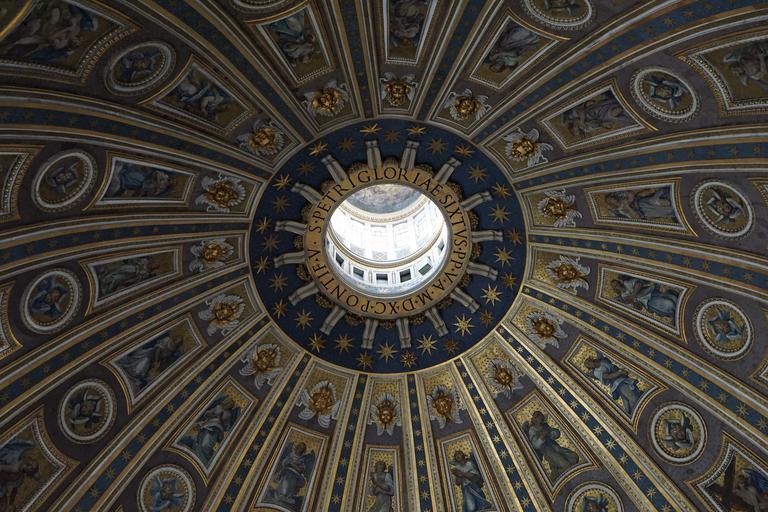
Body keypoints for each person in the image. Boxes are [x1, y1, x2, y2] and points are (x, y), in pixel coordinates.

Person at [179, 395, 240, 467]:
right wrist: (212, 415)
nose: (228, 404)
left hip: (216, 430)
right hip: (207, 426)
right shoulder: (219, 407)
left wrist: (221, 420)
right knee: (200, 441)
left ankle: (204, 461)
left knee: (206, 445)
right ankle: (197, 454)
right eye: (228, 402)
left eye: (230, 404)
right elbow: (207, 414)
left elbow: (227, 427)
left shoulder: (229, 414)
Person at [523, 411, 579, 481]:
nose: (540, 418)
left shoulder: (545, 426)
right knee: (566, 465)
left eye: (541, 416)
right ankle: (555, 477)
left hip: (556, 447)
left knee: (574, 458)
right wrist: (541, 437)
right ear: (535, 419)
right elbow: (535, 445)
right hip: (548, 451)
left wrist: (550, 432)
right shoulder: (532, 429)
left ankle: (555, 473)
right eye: (538, 417)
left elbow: (556, 434)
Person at [267, 442, 315, 510]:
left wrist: (295, 466)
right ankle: (280, 494)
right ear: (297, 447)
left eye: (302, 448)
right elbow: (284, 462)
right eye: (299, 447)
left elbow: (302, 469)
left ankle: (287, 497)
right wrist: (290, 463)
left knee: (292, 483)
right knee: (286, 480)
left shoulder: (302, 459)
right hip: (287, 471)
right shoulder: (291, 455)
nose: (300, 449)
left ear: (303, 451)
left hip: (295, 474)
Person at [610, 275, 679, 320]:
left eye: (617, 284)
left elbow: (639, 283)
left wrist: (633, 295)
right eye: (615, 286)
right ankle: (676, 316)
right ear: (615, 289)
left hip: (650, 293)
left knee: (672, 297)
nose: (617, 286)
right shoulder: (624, 296)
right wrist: (633, 303)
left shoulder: (627, 283)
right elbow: (639, 308)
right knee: (668, 304)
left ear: (619, 282)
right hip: (647, 303)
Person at [0, 440, 39, 512]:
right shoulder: (19, 454)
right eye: (32, 463)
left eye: (31, 468)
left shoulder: (18, 474)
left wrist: (10, 503)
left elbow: (14, 490)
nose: (30, 466)